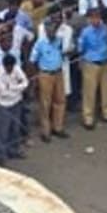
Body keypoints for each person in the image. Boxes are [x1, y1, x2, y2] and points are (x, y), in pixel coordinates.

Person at [30, 10, 69, 142]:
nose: (52, 32)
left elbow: (62, 53)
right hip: (45, 74)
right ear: (46, 30)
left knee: (60, 100)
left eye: (54, 29)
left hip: (58, 72)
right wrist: (36, 76)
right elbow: (32, 60)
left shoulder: (59, 40)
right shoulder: (40, 43)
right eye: (50, 29)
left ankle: (58, 127)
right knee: (45, 103)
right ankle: (45, 131)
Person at [77, 6, 107, 129]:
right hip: (91, 63)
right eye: (93, 17)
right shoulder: (85, 32)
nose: (96, 20)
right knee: (89, 92)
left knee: (106, 90)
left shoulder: (106, 29)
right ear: (89, 19)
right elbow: (80, 48)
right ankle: (88, 118)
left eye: (98, 17)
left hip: (105, 62)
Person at [0, 52, 29, 166]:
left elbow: (25, 82)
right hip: (3, 105)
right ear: (4, 66)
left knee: (15, 128)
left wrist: (12, 87)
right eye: (8, 68)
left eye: (12, 67)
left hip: (16, 103)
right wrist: (18, 89)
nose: (10, 70)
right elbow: (2, 93)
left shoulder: (16, 69)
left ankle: (13, 150)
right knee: (2, 131)